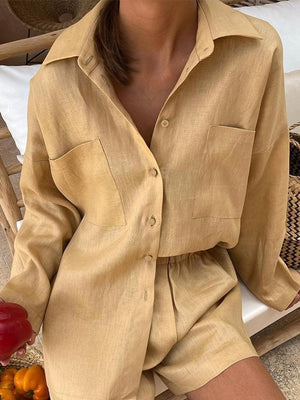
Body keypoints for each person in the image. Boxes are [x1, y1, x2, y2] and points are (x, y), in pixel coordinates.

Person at [0, 0, 300, 399]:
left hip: (198, 290)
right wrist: (23, 300)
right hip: (90, 299)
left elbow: (262, 184)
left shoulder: (255, 51)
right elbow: (50, 207)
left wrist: (269, 278)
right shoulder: (58, 77)